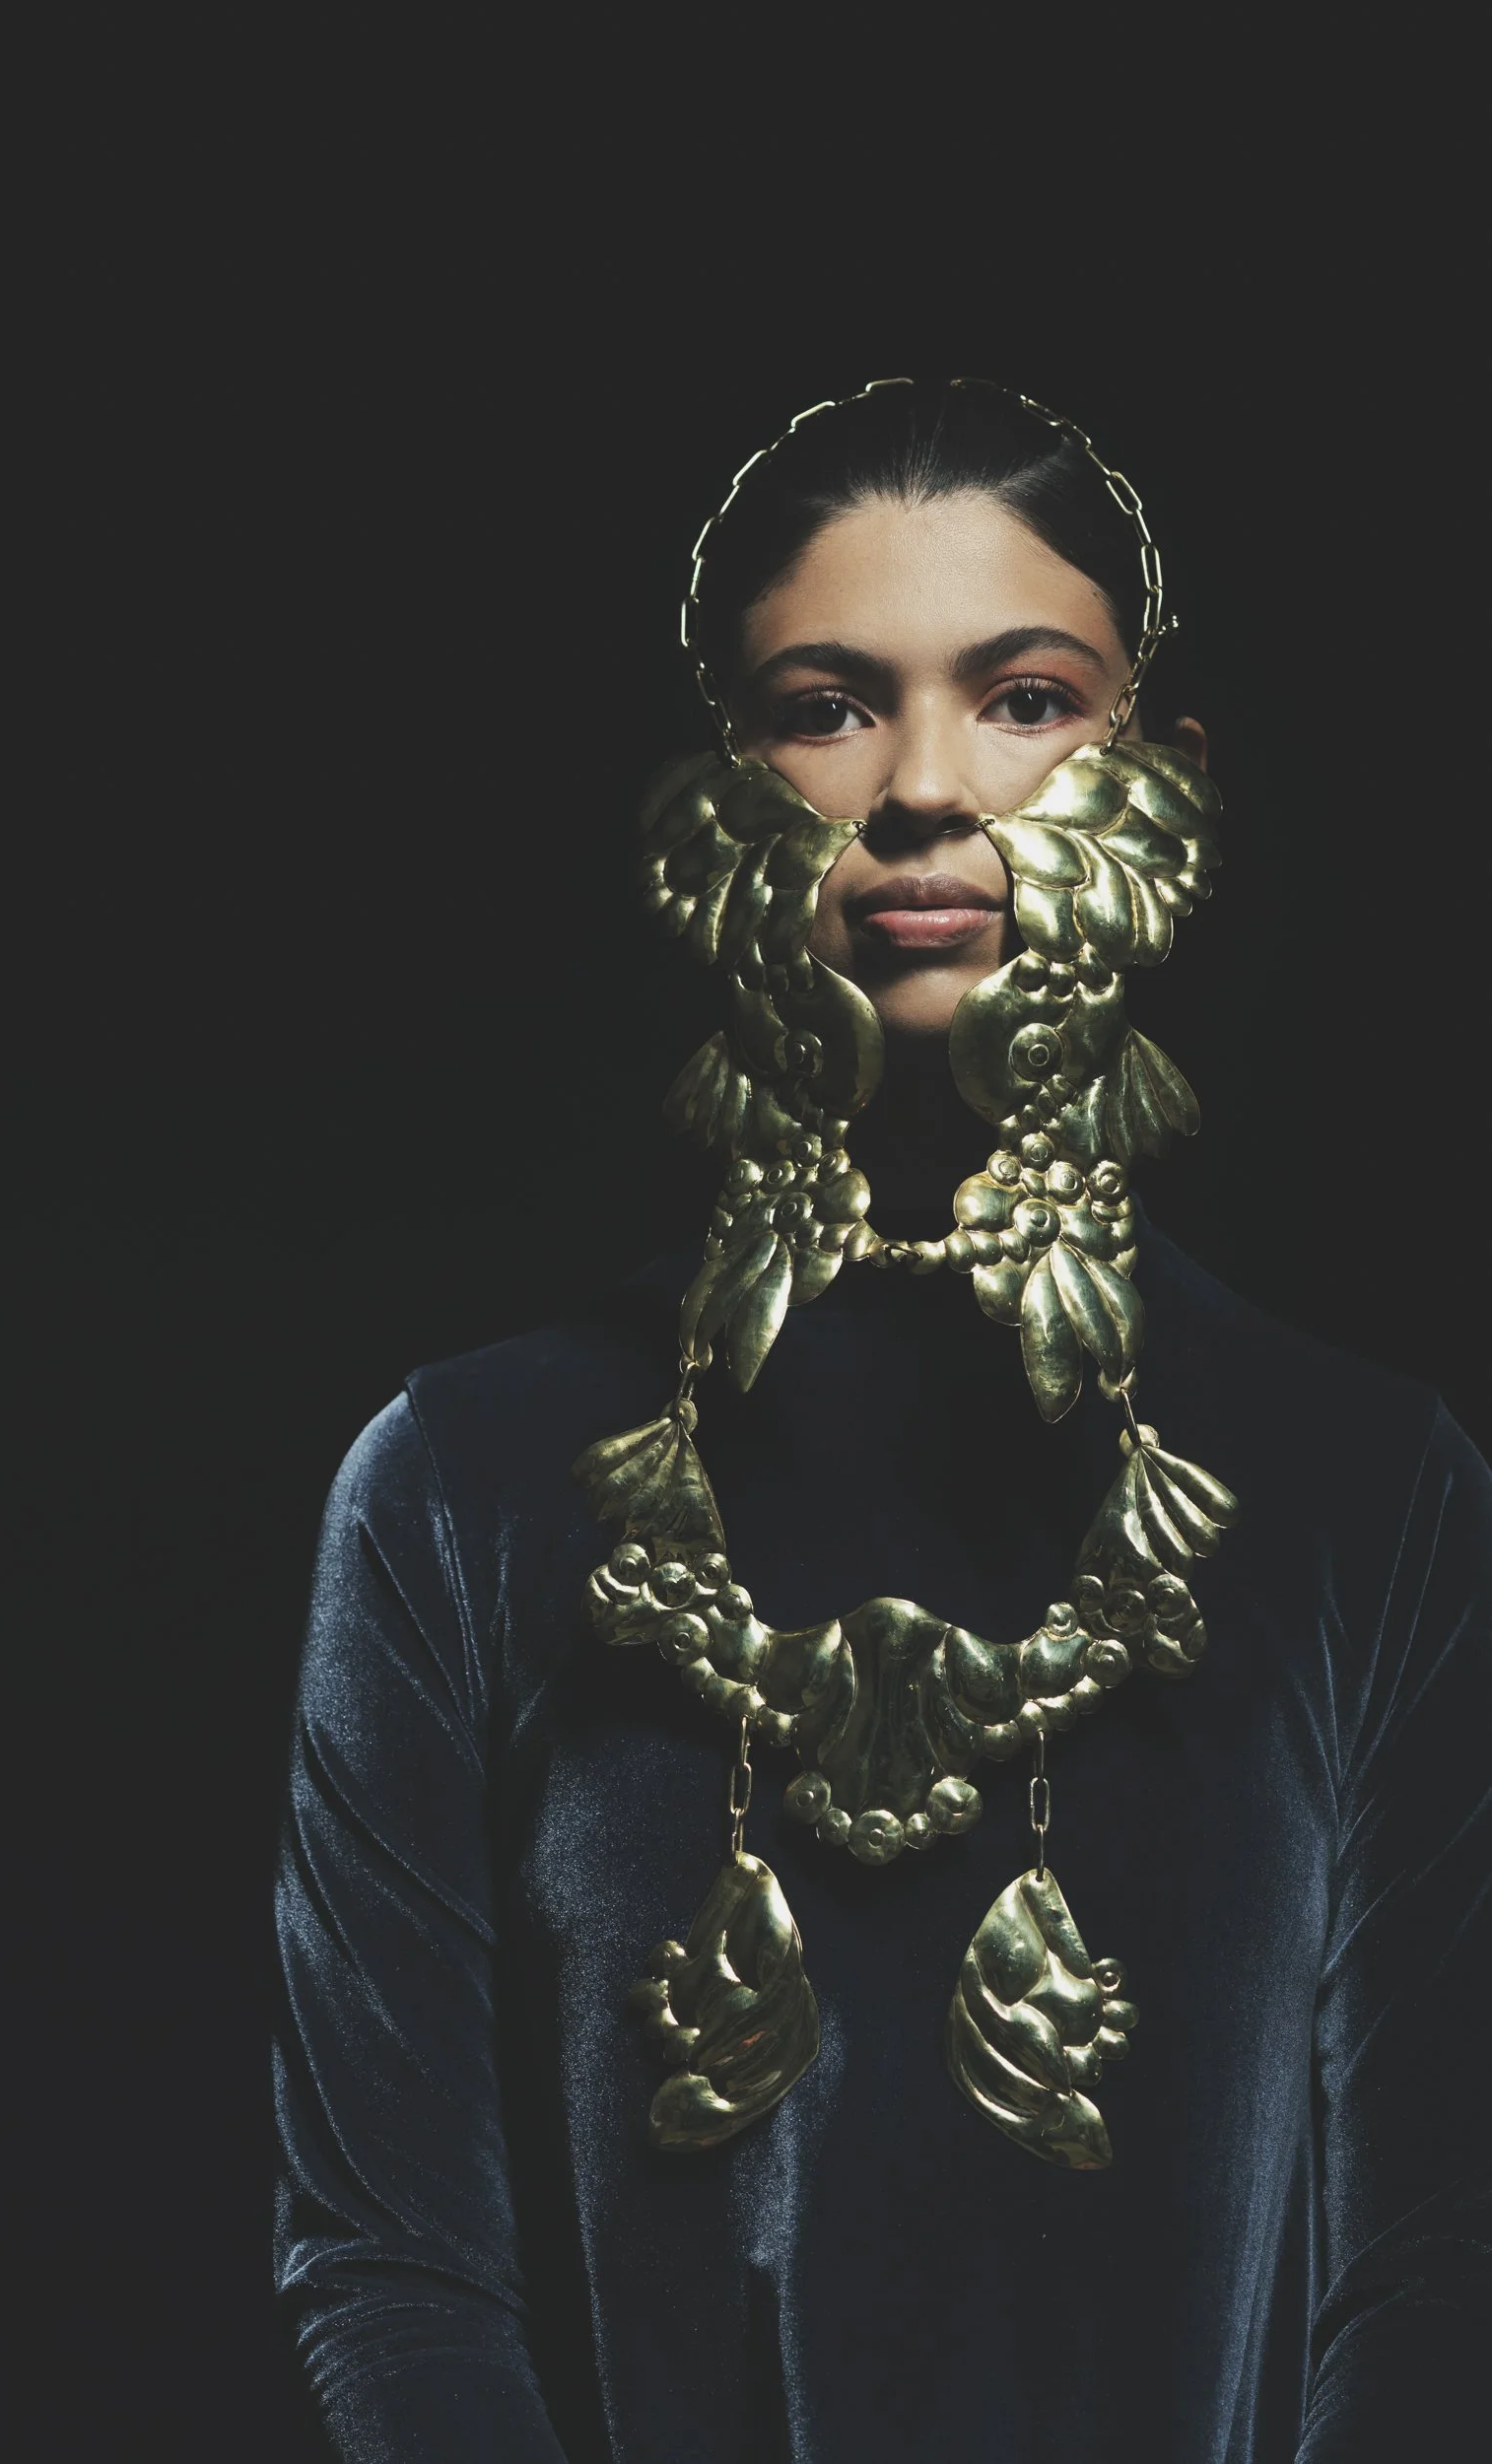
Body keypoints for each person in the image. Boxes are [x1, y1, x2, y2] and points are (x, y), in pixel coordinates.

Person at [272, 378, 1491, 2461]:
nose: (924, 786)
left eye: (1027, 699)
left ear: (1167, 781)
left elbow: (1440, 2255)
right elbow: (391, 2264)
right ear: (710, 796)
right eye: (825, 707)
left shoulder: (1372, 1497)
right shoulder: (459, 1493)